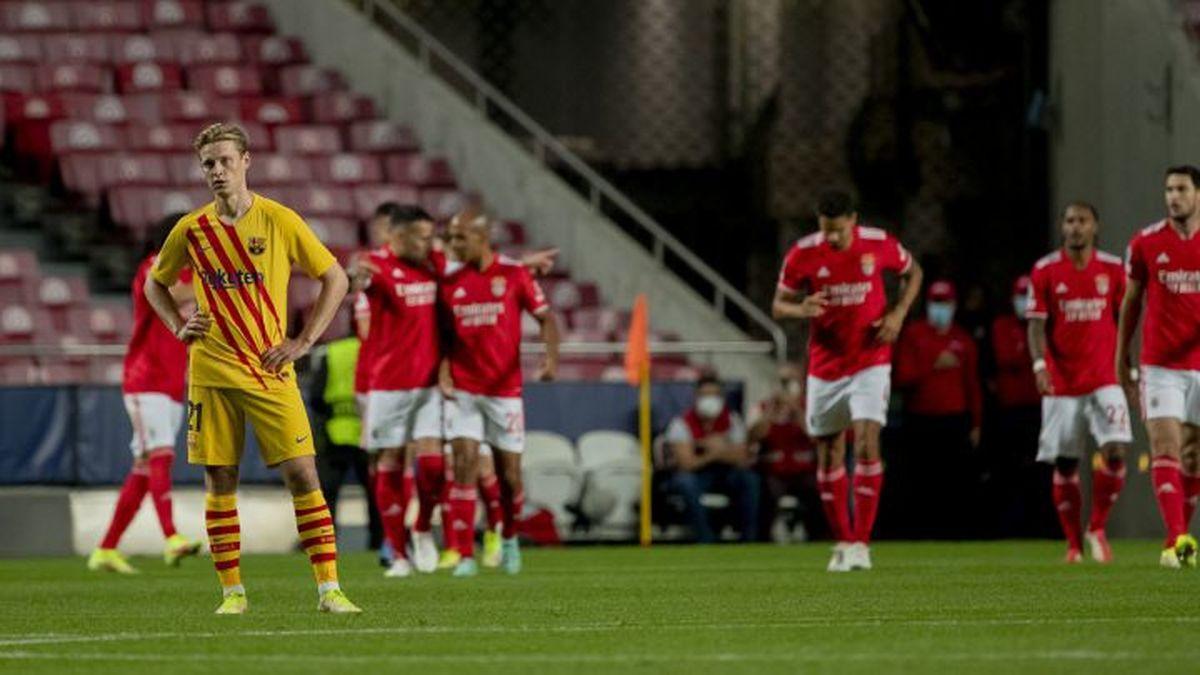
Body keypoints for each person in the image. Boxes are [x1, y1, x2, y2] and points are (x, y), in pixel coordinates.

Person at [144, 122, 360, 613]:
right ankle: (232, 593)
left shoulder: (279, 220)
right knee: (220, 479)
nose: (217, 171)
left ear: (246, 161)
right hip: (211, 370)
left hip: (268, 368)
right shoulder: (192, 229)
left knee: (305, 474)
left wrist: (303, 340)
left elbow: (336, 278)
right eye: (208, 164)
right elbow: (154, 284)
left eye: (224, 160)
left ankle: (329, 589)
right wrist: (179, 325)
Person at [772, 190, 923, 571]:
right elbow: (778, 305)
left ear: (853, 220)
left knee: (869, 442)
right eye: (826, 232)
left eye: (838, 231)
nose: (832, 239)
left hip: (871, 361)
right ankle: (842, 540)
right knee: (829, 452)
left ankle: (861, 543)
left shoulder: (878, 244)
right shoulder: (803, 253)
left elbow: (913, 272)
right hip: (825, 368)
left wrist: (898, 314)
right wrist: (799, 308)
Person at [440, 211, 560, 577]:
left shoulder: (514, 275)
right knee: (463, 466)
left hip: (503, 392)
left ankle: (508, 537)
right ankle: (463, 555)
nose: (453, 246)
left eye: (460, 238)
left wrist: (550, 359)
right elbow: (441, 335)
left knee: (509, 476)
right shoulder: (449, 281)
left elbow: (547, 319)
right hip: (464, 390)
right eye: (451, 238)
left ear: (482, 239)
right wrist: (443, 372)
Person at [87, 214, 202, 574]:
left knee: (143, 465)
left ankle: (105, 549)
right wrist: (212, 278)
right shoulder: (152, 267)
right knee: (160, 456)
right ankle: (171, 537)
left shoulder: (188, 274)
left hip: (171, 382)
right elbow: (175, 294)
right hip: (144, 379)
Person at [1026, 202, 1131, 563]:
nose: (1074, 227)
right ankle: (1073, 545)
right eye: (1069, 221)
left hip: (1105, 376)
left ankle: (1096, 527)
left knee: (1116, 450)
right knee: (1066, 463)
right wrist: (1040, 365)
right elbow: (1037, 324)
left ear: (1095, 227)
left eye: (1082, 221)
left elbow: (1125, 320)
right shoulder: (1045, 270)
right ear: (1062, 227)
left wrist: (1128, 365)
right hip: (1062, 381)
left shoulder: (1115, 269)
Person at [347, 204, 445, 577]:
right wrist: (354, 278)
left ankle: (422, 528)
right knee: (389, 463)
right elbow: (360, 280)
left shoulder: (433, 263)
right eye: (421, 236)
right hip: (387, 386)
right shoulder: (378, 265)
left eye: (430, 236)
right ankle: (399, 553)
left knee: (434, 465)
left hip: (430, 384)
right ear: (397, 236)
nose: (428, 242)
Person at [1117, 165, 1200, 569]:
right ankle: (1177, 540)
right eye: (1168, 189)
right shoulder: (1146, 243)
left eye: (1181, 189)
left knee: (1194, 455)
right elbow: (1130, 302)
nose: (1173, 197)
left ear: (1197, 194)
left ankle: (1181, 534)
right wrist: (1122, 359)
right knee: (1165, 446)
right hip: (1160, 365)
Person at [893, 279, 983, 539]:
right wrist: (932, 365)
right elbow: (901, 378)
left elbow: (972, 385)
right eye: (936, 303)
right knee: (921, 482)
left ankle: (954, 534)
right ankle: (921, 534)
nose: (940, 308)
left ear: (953, 305)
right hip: (921, 420)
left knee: (954, 483)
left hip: (954, 421)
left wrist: (976, 423)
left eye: (945, 303)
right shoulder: (914, 335)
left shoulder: (963, 340)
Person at [307, 327, 383, 556]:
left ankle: (325, 540)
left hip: (335, 431)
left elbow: (316, 396)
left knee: (328, 493)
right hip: (367, 432)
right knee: (374, 491)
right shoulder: (375, 350)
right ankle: (378, 541)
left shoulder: (332, 352)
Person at [987, 275, 1052, 539]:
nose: (1023, 301)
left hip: (1040, 408)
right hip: (1010, 410)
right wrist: (1033, 352)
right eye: (1020, 295)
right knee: (1009, 472)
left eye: (1028, 295)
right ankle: (1009, 530)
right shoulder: (1001, 325)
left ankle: (1042, 529)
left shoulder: (1045, 325)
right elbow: (1007, 357)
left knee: (1041, 471)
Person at [665, 374, 760, 543]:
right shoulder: (681, 424)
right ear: (696, 398)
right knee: (685, 483)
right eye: (705, 395)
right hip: (697, 474)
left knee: (749, 479)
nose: (710, 399)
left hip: (724, 472)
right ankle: (705, 537)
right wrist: (716, 452)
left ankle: (749, 538)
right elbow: (687, 464)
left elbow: (741, 458)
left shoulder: (732, 421)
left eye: (715, 395)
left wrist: (714, 449)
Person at [747, 363, 822, 543]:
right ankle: (764, 537)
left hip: (804, 470)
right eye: (783, 381)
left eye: (791, 381)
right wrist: (771, 411)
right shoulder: (762, 408)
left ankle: (818, 537)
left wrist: (796, 410)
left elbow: (816, 437)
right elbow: (753, 436)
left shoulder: (810, 407)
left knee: (819, 489)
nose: (786, 386)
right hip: (772, 471)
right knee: (765, 490)